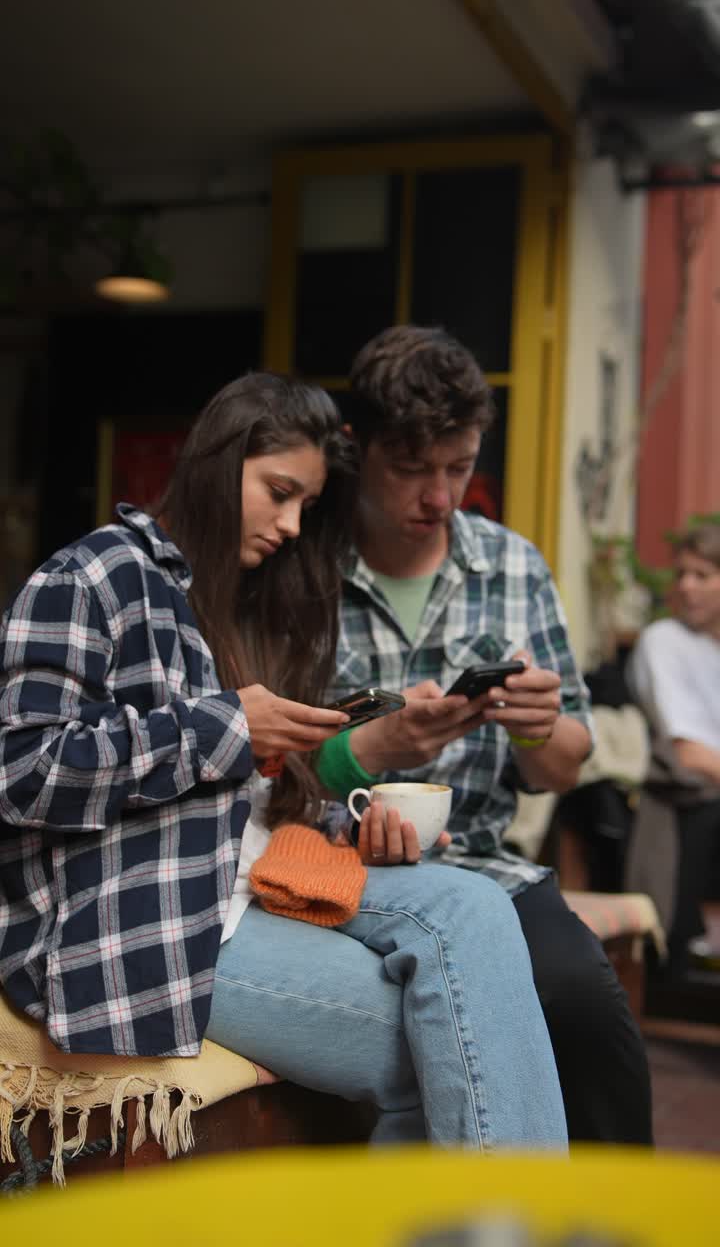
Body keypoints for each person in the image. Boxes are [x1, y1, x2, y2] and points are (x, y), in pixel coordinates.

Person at [0, 372, 567, 1151]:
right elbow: (22, 771)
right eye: (279, 492)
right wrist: (228, 726)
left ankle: (502, 1211)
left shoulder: (241, 598)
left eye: (307, 503)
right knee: (449, 1044)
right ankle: (509, 1214)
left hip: (255, 878)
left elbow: (245, 799)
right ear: (216, 461)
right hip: (148, 916)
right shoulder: (93, 577)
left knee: (478, 905)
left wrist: (346, 824)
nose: (293, 524)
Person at [315, 324, 653, 1145]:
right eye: (412, 469)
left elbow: (564, 768)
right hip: (328, 870)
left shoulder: (512, 566)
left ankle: (609, 1211)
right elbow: (267, 759)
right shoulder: (303, 566)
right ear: (358, 449)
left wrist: (539, 729)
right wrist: (380, 747)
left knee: (586, 1003)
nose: (440, 496)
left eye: (459, 468)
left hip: (478, 863)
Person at [626, 523, 720, 973]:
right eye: (682, 574)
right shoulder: (664, 640)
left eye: (703, 575)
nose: (686, 586)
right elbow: (686, 754)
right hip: (686, 793)